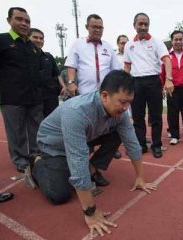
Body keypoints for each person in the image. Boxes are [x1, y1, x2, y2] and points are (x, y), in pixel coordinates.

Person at [24, 70, 156, 236]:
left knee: (117, 134)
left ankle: (92, 169)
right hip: (53, 144)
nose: (125, 108)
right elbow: (77, 162)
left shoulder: (120, 111)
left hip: (85, 136)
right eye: (122, 102)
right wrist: (91, 213)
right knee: (59, 194)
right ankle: (36, 163)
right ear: (105, 96)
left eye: (129, 103)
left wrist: (140, 177)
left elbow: (132, 143)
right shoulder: (76, 112)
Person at [65, 14, 122, 180]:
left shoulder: (109, 47)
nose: (97, 30)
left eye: (100, 27)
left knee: (115, 132)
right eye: (94, 27)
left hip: (105, 100)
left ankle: (94, 167)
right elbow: (71, 65)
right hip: (84, 98)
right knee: (82, 135)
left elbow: (116, 71)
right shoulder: (77, 44)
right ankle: (80, 174)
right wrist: (71, 82)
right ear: (87, 27)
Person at [0, 7, 43, 173]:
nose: (24, 23)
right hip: (11, 97)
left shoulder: (32, 46)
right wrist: (5, 84)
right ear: (9, 20)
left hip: (34, 97)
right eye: (19, 19)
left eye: (27, 21)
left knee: (36, 129)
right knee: (16, 132)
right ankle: (20, 160)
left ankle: (35, 156)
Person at [124, 12, 173, 158]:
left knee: (156, 116)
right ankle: (141, 145)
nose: (143, 27)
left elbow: (167, 61)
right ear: (134, 25)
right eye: (140, 24)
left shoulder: (157, 42)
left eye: (146, 24)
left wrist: (169, 79)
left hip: (153, 82)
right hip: (136, 83)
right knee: (138, 117)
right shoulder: (129, 45)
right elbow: (127, 67)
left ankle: (157, 145)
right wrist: (125, 85)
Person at [160, 30, 183, 145]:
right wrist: (162, 87)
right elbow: (162, 73)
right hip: (172, 89)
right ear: (171, 41)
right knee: (172, 113)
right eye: (176, 39)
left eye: (180, 39)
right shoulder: (166, 56)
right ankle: (174, 136)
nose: (178, 42)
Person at [28, 28, 66, 117]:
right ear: (27, 38)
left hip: (50, 97)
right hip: (33, 98)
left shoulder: (48, 56)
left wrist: (63, 86)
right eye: (35, 37)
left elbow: (56, 73)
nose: (38, 40)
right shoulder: (24, 57)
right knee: (35, 125)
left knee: (52, 123)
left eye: (41, 38)